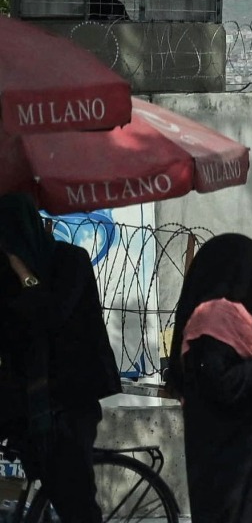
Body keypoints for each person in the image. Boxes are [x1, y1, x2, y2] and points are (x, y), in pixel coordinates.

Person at [166, 233, 252, 523]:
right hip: (232, 468)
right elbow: (219, 383)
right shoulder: (212, 319)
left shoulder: (236, 317)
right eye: (249, 265)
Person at [0, 192, 121, 523]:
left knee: (74, 501)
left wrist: (20, 267)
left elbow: (49, 315)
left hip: (68, 401)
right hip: (25, 399)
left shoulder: (70, 261)